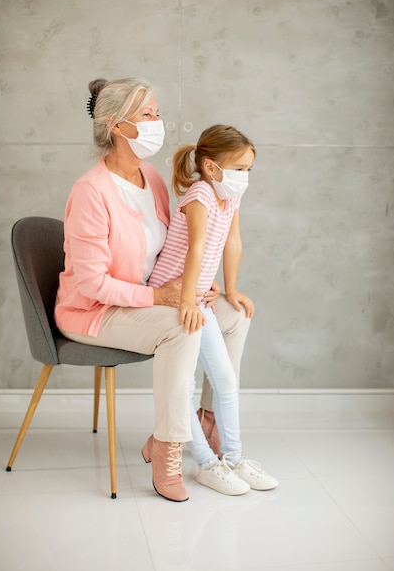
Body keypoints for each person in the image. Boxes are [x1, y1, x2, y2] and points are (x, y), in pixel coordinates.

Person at [54, 77, 251, 503]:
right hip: (95, 311)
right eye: (147, 115)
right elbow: (91, 283)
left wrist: (199, 284)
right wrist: (159, 298)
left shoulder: (152, 179)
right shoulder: (91, 191)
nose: (158, 122)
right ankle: (168, 444)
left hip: (144, 298)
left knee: (233, 316)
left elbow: (174, 248)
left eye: (157, 113)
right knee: (181, 326)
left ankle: (207, 422)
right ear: (116, 125)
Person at [149, 125, 279, 494]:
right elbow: (197, 248)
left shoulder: (227, 196)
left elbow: (231, 241)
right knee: (186, 385)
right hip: (174, 297)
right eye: (238, 169)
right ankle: (206, 463)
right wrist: (190, 299)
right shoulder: (201, 194)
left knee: (224, 379)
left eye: (248, 170)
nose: (244, 177)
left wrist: (230, 288)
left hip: (195, 294)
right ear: (210, 166)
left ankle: (234, 458)